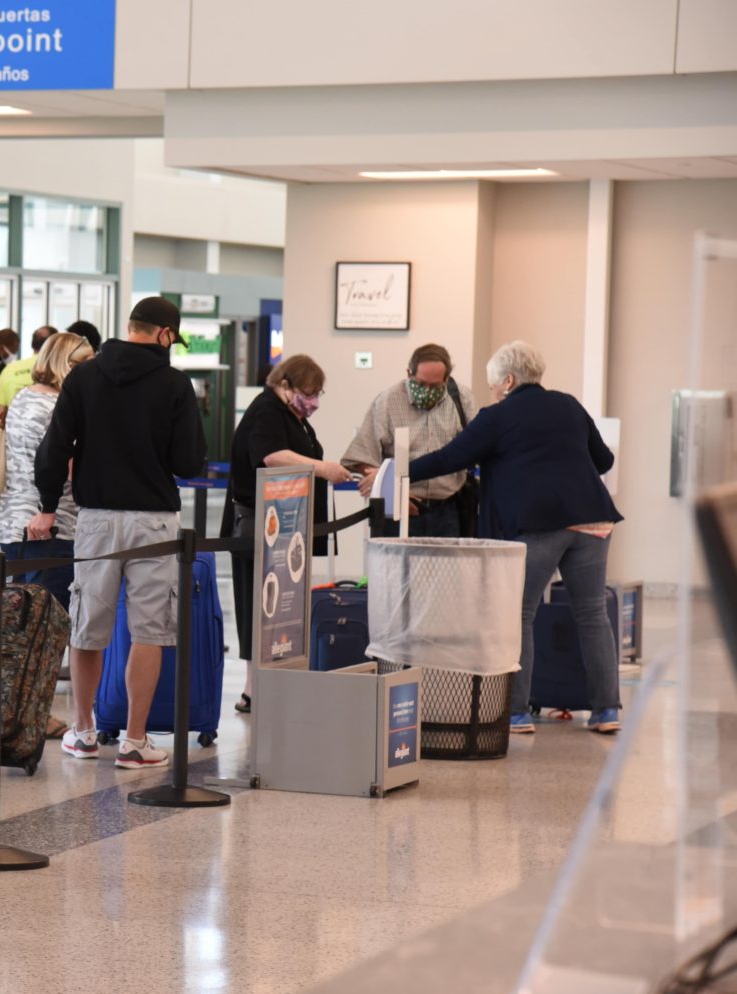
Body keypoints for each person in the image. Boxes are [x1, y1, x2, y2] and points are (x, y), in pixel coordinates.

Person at [408, 341, 623, 735]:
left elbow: (448, 458)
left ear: (507, 381)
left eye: (493, 385)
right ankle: (607, 710)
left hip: (538, 523)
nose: (493, 392)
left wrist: (397, 469)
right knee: (592, 614)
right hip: (594, 520)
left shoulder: (497, 416)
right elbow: (604, 461)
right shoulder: (569, 405)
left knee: (519, 613)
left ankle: (518, 712)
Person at [33, 297, 206, 769]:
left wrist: (48, 506)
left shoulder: (84, 377)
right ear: (165, 335)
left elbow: (52, 450)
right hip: (155, 522)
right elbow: (190, 462)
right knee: (149, 630)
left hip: (96, 520)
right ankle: (134, 741)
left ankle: (84, 732)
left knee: (88, 626)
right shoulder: (175, 383)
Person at [224, 354, 352, 714]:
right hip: (259, 525)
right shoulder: (266, 410)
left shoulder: (291, 415)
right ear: (284, 385)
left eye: (317, 393)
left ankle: (270, 683)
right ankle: (253, 688)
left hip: (285, 525)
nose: (312, 401)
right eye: (307, 393)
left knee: (278, 609)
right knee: (258, 606)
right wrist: (322, 468)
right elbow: (271, 456)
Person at [343, 343, 477, 537]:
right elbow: (360, 457)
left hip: (447, 510)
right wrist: (393, 492)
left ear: (446, 379)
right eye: (421, 384)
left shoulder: (462, 399)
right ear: (409, 373)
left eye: (435, 386)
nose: (427, 391)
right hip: (399, 512)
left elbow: (473, 449)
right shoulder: (388, 401)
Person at [0, 332, 92, 609]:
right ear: (69, 365)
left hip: (14, 525)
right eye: (86, 363)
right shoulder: (60, 406)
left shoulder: (22, 397)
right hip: (53, 527)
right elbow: (68, 467)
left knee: (18, 628)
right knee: (47, 627)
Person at [0, 324, 56, 419]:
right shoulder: (60, 370)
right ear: (56, 346)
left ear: (32, 344)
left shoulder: (10, 369)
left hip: (13, 430)